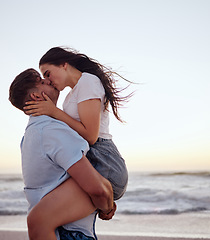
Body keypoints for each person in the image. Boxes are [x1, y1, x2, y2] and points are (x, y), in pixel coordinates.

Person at [9, 68, 116, 240]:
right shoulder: (52, 131)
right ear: (36, 96)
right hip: (68, 233)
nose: (49, 81)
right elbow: (97, 189)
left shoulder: (30, 135)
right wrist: (107, 208)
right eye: (43, 82)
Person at [24, 46, 130, 201]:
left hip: (104, 162)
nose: (47, 80)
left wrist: (54, 112)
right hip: (93, 159)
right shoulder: (71, 95)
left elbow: (90, 136)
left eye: (48, 74)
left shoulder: (88, 81)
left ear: (63, 64)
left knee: (44, 210)